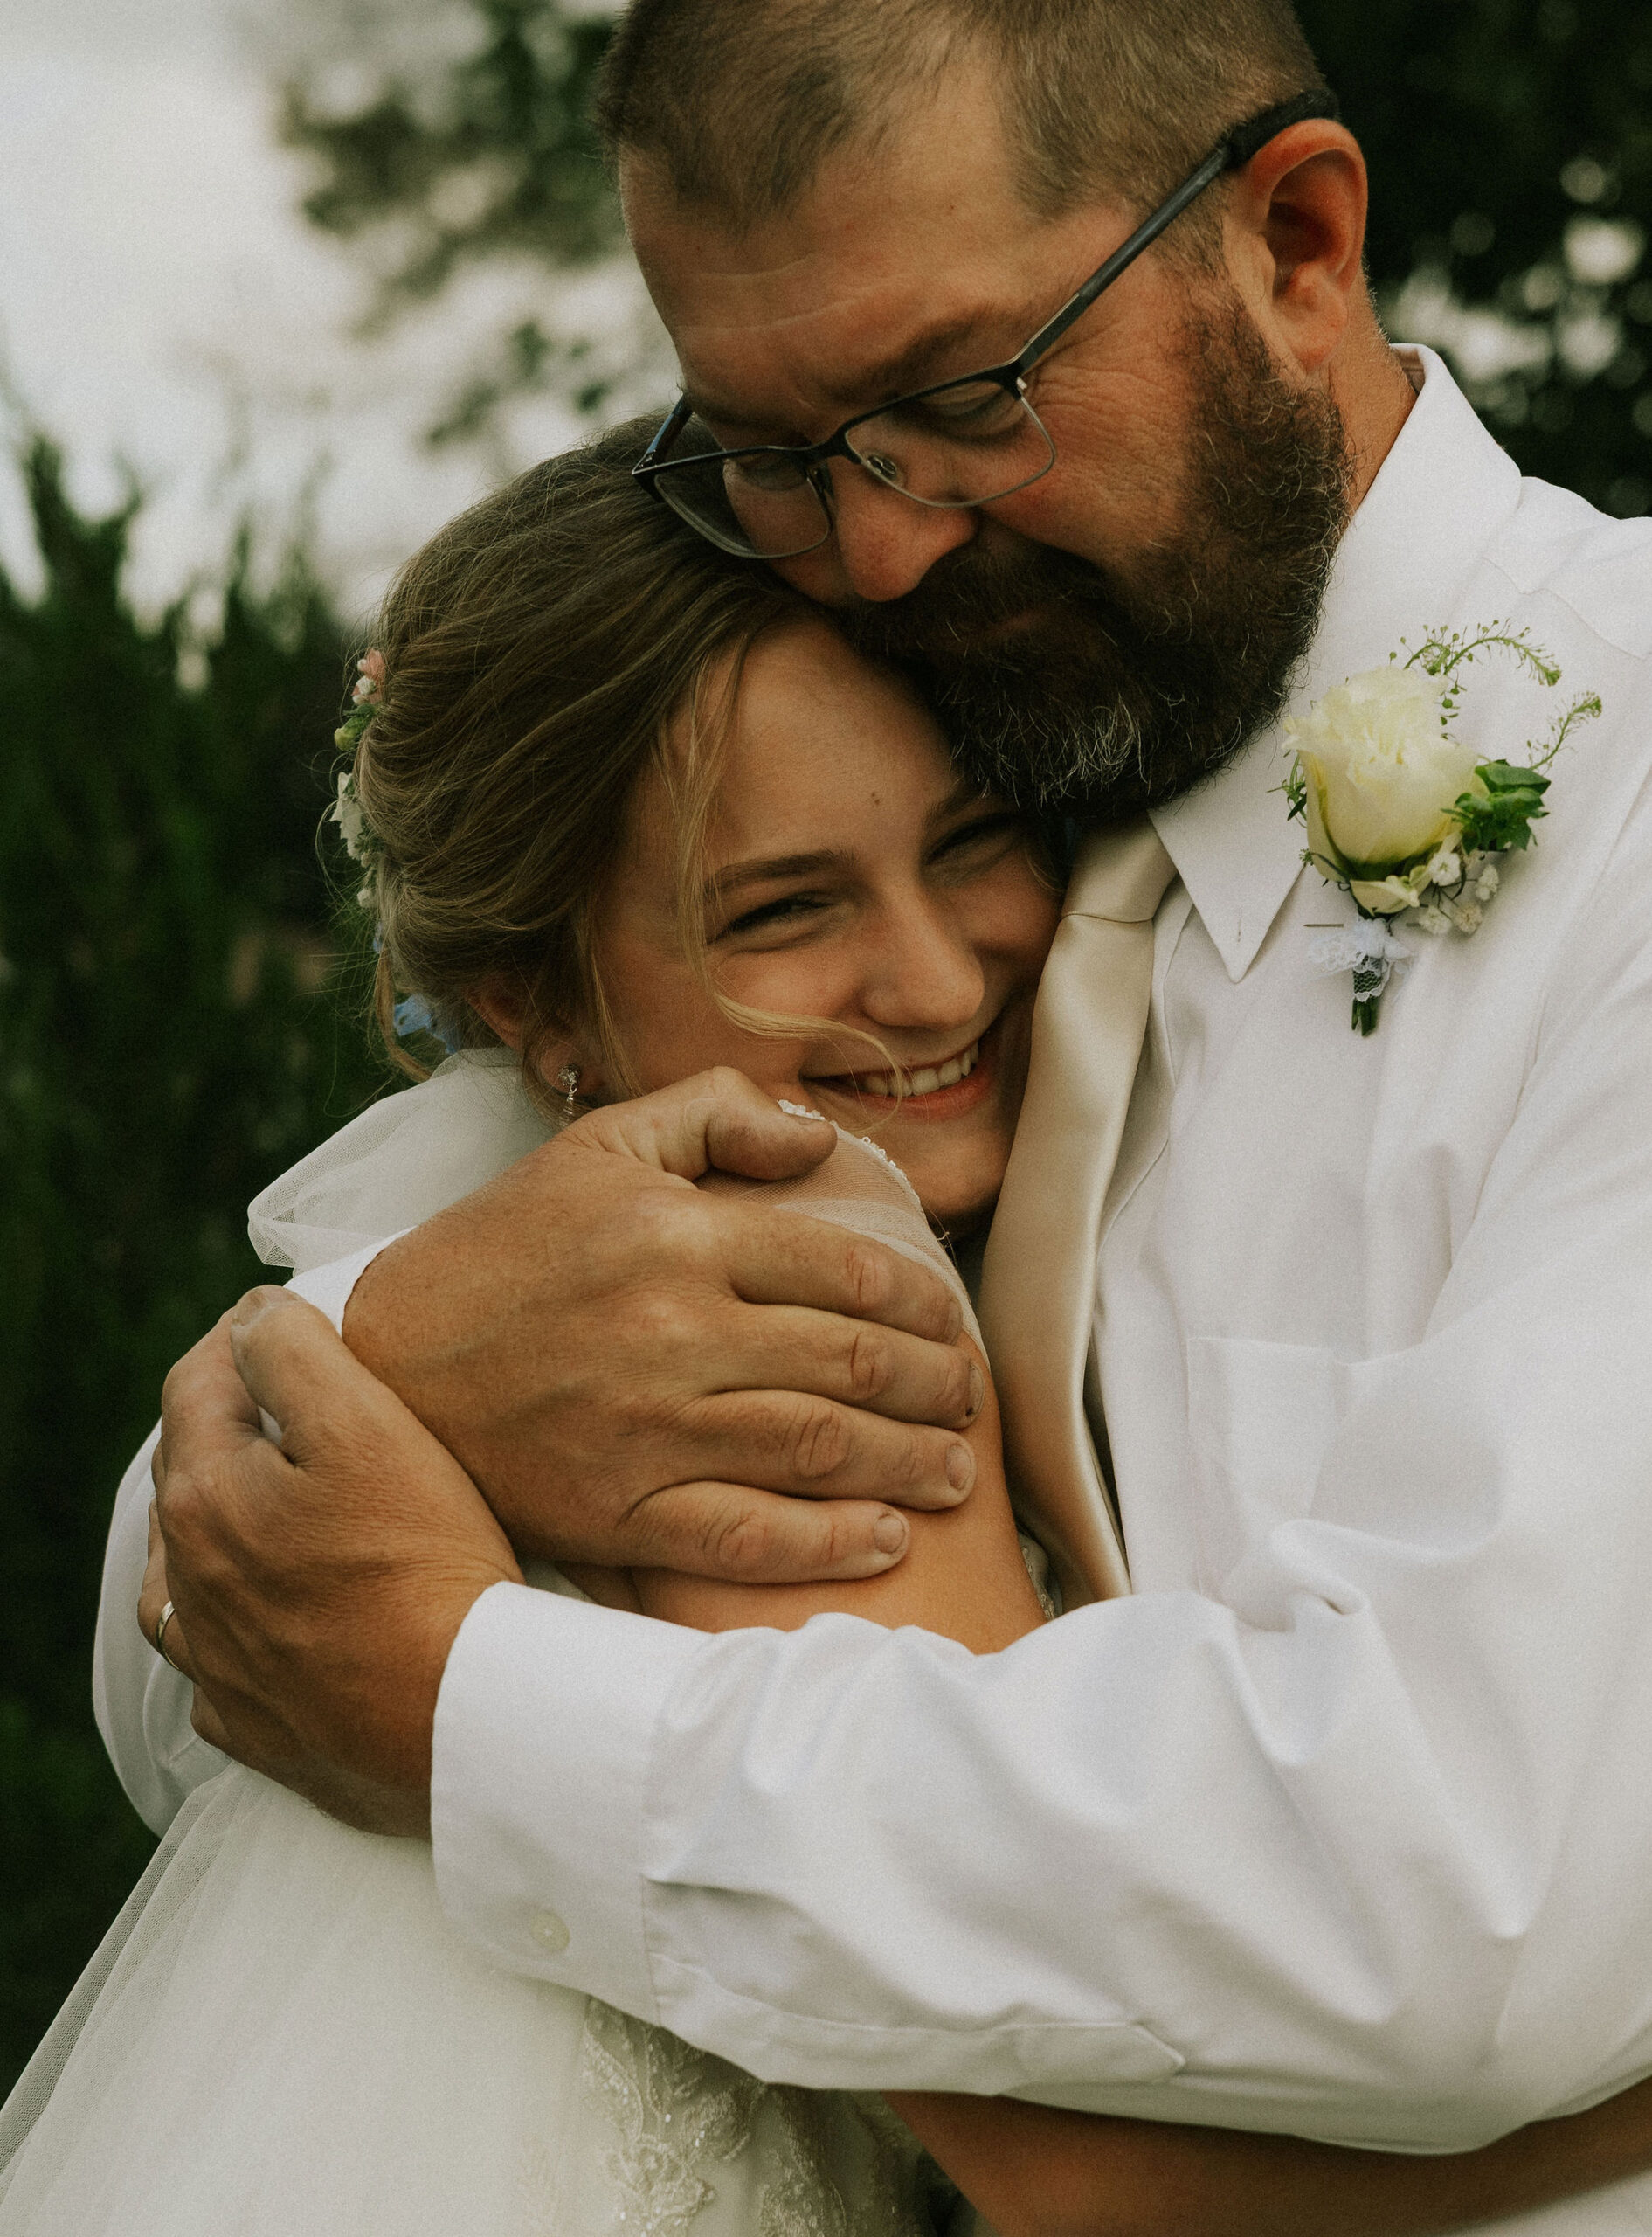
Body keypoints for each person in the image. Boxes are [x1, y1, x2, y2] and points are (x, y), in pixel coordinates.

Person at [104, 0, 1652, 2229]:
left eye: (957, 402)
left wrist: (471, 1707)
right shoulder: (947, 706)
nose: (878, 543)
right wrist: (402, 1371)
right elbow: (207, 1609)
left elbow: (1465, 1896)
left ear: (1298, 240)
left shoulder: (1604, 810)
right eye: (761, 441)